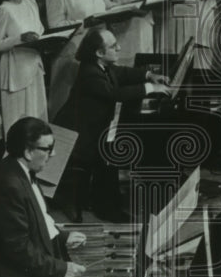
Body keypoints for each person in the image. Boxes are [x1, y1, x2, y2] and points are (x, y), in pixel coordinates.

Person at [54, 29, 171, 221]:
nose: (119, 47)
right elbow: (113, 94)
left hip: (92, 128)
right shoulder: (90, 73)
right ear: (99, 53)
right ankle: (107, 208)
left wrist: (149, 75)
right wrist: (151, 88)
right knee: (109, 154)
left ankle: (108, 201)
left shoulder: (101, 66)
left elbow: (122, 73)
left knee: (111, 148)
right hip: (80, 136)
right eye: (113, 46)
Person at [0, 116, 86, 277]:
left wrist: (60, 236)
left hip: (24, 273)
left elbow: (37, 216)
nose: (53, 154)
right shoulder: (9, 184)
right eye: (47, 148)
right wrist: (61, 269)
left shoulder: (21, 169)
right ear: (27, 151)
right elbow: (18, 249)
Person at [0, 0, 47, 138]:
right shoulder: (3, 10)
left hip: (34, 64)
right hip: (15, 70)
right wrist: (19, 38)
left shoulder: (30, 3)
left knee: (38, 115)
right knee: (19, 121)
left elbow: (39, 28)